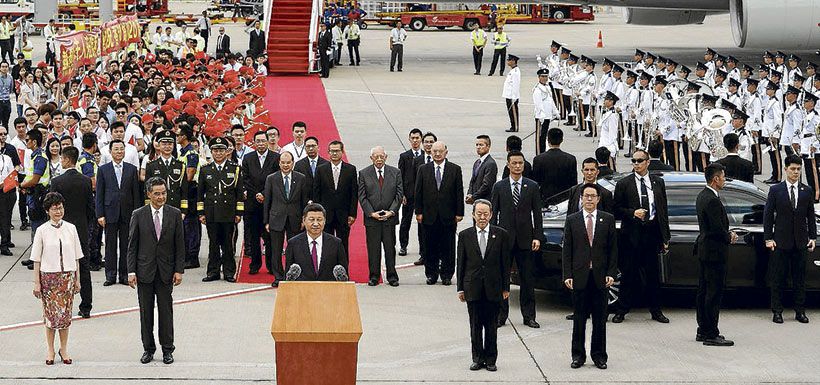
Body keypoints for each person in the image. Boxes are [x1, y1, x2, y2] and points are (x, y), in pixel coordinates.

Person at [127, 177, 185, 365]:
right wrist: (131, 271)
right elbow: (132, 245)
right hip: (144, 271)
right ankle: (148, 349)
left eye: (164, 193)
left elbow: (179, 244)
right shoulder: (138, 214)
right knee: (146, 313)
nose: (161, 197)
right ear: (149, 194)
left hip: (166, 271)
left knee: (166, 313)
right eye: (157, 193)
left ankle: (168, 349)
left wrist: (179, 270)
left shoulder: (175, 214)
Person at [612, 149, 671, 324]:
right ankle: (621, 310)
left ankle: (656, 311)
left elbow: (663, 210)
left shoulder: (658, 182)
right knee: (628, 274)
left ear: (647, 162)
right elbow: (616, 209)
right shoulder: (624, 184)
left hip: (652, 233)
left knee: (653, 275)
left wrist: (664, 237)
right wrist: (632, 213)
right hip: (632, 234)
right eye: (634, 161)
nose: (636, 164)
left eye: (639, 161)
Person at [562, 183, 617, 370]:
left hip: (600, 277)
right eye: (586, 196)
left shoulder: (607, 219)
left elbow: (613, 250)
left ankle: (599, 356)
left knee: (600, 320)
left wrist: (611, 273)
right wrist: (567, 274)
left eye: (593, 196)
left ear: (598, 199)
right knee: (579, 319)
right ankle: (578, 355)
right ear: (581, 198)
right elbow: (567, 250)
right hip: (580, 276)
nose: (590, 199)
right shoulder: (572, 220)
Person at [457, 199, 511, 372]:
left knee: (491, 326)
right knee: (475, 326)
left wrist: (506, 288)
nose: (482, 217)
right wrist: (460, 288)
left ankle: (490, 359)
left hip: (493, 288)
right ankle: (477, 358)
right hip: (472, 287)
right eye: (478, 214)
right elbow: (461, 264)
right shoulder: (465, 235)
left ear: (491, 215)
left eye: (485, 214)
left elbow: (505, 264)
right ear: (473, 215)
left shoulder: (501, 234)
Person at [30, 192, 83, 365]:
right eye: (54, 208)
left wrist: (77, 279)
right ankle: (50, 349)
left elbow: (76, 257)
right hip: (49, 278)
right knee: (51, 317)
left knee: (65, 316)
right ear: (48, 211)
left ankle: (64, 348)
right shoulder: (42, 230)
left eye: (60, 208)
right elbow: (36, 259)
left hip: (67, 277)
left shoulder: (71, 228)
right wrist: (37, 282)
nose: (58, 211)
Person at [491, 151, 541, 328]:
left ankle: (529, 316)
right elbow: (493, 214)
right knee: (502, 278)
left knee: (527, 280)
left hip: (525, 240)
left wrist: (537, 237)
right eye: (514, 163)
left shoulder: (532, 186)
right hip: (504, 240)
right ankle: (500, 315)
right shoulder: (499, 187)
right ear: (508, 165)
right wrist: (493, 237)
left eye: (520, 163)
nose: (517, 166)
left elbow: (537, 214)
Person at [763, 154, 816, 324]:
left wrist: (813, 237)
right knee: (778, 278)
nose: (796, 172)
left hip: (800, 242)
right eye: (793, 169)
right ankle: (777, 311)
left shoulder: (806, 190)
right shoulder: (776, 190)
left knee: (799, 279)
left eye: (798, 169)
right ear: (785, 169)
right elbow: (768, 216)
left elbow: (810, 216)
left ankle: (800, 311)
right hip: (781, 241)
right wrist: (768, 238)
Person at [695, 163, 737, 346]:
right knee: (713, 293)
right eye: (723, 177)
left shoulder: (702, 195)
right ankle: (711, 333)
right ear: (715, 179)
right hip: (714, 252)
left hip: (706, 251)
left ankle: (703, 329)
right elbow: (716, 229)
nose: (725, 180)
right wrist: (729, 236)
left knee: (704, 291)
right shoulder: (711, 200)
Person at [49, 147, 94, 319]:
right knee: (83, 267)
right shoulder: (85, 181)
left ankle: (61, 304)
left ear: (67, 160)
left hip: (62, 229)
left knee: (60, 267)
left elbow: (52, 206)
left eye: (62, 158)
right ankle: (86, 306)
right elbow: (90, 208)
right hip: (80, 230)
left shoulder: (57, 181)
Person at [415, 141, 464, 285]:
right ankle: (431, 274)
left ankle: (447, 275)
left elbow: (458, 192)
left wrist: (459, 212)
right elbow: (418, 192)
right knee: (430, 246)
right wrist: (418, 211)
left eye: (440, 151)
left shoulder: (455, 169)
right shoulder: (423, 169)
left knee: (448, 247)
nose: (437, 154)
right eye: (434, 151)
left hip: (448, 216)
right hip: (428, 216)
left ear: (446, 152)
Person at [198, 137, 243, 283]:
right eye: (215, 150)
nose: (218, 153)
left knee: (228, 244)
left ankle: (229, 272)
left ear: (227, 151)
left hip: (228, 212)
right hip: (211, 212)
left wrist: (239, 213)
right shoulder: (206, 169)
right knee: (213, 244)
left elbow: (239, 193)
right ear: (211, 152)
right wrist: (201, 213)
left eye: (221, 150)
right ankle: (213, 271)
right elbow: (200, 194)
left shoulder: (234, 168)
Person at [96, 140, 140, 286]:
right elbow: (100, 194)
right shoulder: (103, 169)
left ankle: (124, 275)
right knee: (110, 245)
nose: (119, 152)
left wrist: (137, 214)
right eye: (116, 149)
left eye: (122, 149)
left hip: (128, 212)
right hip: (110, 212)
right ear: (110, 151)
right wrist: (100, 214)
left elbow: (136, 194)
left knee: (126, 245)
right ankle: (110, 275)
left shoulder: (132, 169)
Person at [358, 146, 403, 286]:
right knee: (373, 249)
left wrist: (392, 211)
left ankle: (392, 276)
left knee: (390, 248)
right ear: (371, 158)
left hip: (389, 218)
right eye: (376, 157)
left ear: (386, 157)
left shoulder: (395, 172)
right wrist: (371, 213)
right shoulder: (364, 173)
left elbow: (399, 195)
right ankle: (374, 276)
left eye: (381, 156)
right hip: (373, 219)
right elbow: (362, 196)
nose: (379, 159)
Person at [264, 151, 309, 286]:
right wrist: (266, 221)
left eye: (288, 162)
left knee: (293, 248)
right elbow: (268, 201)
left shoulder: (301, 178)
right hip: (276, 218)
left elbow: (304, 200)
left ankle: (292, 275)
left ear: (293, 163)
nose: (285, 165)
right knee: (276, 249)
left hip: (295, 219)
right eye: (283, 162)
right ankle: (278, 276)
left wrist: (303, 219)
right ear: (279, 163)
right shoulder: (271, 178)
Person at [241, 130, 279, 275]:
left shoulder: (276, 158)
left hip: (269, 203)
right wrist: (256, 193)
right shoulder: (248, 158)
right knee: (253, 236)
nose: (261, 144)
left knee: (269, 237)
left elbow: (276, 178)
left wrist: (264, 193)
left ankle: (271, 265)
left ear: (268, 141)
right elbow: (245, 179)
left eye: (264, 141)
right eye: (258, 141)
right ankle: (255, 264)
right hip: (252, 203)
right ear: (254, 142)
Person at [312, 140, 357, 253]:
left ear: (342, 152)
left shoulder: (350, 170)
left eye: (337, 151)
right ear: (328, 153)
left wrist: (352, 214)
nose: (334, 153)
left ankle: (343, 268)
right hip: (326, 215)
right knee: (326, 244)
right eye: (332, 151)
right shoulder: (321, 169)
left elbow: (353, 194)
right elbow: (316, 193)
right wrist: (318, 213)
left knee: (343, 244)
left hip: (344, 215)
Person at [284, 203, 349, 281]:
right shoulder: (293, 244)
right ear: (304, 221)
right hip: (302, 291)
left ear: (324, 221)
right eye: (311, 219)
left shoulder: (336, 243)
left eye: (319, 220)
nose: (315, 224)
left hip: (328, 291)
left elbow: (344, 276)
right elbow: (288, 277)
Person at [144, 130, 188, 213]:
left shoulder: (180, 165)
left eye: (170, 144)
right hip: (157, 208)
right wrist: (148, 209)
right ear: (159, 145)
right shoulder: (151, 165)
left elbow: (184, 190)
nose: (167, 147)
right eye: (164, 144)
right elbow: (147, 190)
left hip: (176, 208)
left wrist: (183, 211)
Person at [532, 128, 577, 205]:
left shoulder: (538, 159)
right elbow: (573, 183)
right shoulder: (571, 159)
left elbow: (535, 182)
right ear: (562, 140)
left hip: (545, 199)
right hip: (564, 200)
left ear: (548, 140)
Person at [397, 128, 422, 256]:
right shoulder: (404, 156)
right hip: (408, 195)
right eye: (413, 138)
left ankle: (422, 248)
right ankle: (403, 246)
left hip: (421, 196)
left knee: (422, 223)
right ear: (409, 139)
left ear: (421, 139)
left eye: (417, 138)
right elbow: (399, 177)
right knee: (405, 222)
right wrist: (402, 194)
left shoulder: (425, 156)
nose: (415, 140)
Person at [0, 125, 18, 255]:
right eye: (0, 135)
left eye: (4, 134)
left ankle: (4, 244)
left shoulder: (8, 154)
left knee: (5, 217)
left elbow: (13, 170)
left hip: (6, 190)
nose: (2, 137)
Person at [533, 68, 559, 153]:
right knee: (540, 137)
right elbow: (538, 104)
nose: (544, 78)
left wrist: (555, 111)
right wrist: (541, 116)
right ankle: (539, 153)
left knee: (544, 136)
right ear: (539, 77)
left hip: (547, 116)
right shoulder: (537, 89)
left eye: (546, 76)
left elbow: (551, 100)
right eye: (543, 76)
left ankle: (543, 152)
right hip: (541, 117)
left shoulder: (547, 87)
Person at [466, 135, 497, 205]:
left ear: (488, 146)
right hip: (476, 201)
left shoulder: (490, 163)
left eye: (481, 145)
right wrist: (469, 193)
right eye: (476, 145)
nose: (478, 147)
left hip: (486, 201)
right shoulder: (477, 162)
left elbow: (487, 185)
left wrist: (473, 197)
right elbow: (472, 181)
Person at [293, 136, 327, 201]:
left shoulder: (326, 164)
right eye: (308, 146)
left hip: (323, 200)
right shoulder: (299, 164)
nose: (311, 148)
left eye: (313, 146)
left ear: (318, 147)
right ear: (305, 148)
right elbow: (297, 185)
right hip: (305, 200)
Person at [502, 55, 521, 133]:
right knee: (510, 112)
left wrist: (514, 97)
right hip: (508, 95)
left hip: (512, 96)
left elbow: (516, 85)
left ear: (513, 61)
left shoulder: (515, 72)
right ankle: (512, 126)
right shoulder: (512, 71)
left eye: (509, 60)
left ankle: (515, 127)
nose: (508, 61)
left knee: (513, 112)